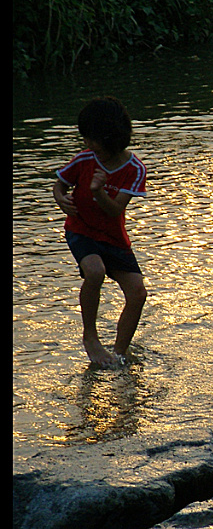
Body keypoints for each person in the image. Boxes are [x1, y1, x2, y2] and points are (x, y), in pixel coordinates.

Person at [53, 97, 148, 369]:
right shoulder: (84, 159)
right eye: (86, 139)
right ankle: (91, 338)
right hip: (81, 229)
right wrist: (61, 199)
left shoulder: (135, 169)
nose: (88, 145)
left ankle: (119, 352)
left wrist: (98, 192)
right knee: (94, 271)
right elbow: (59, 184)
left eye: (93, 140)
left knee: (138, 292)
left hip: (114, 237)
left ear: (114, 141)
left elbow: (114, 210)